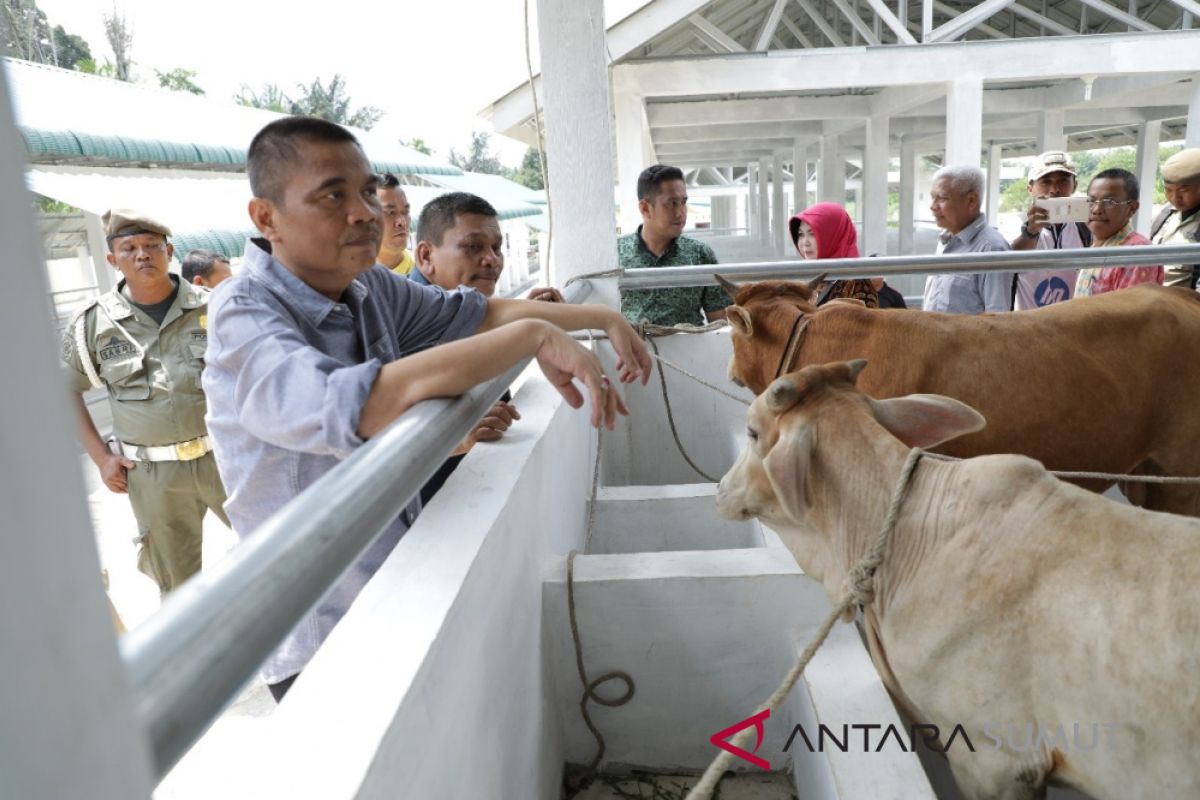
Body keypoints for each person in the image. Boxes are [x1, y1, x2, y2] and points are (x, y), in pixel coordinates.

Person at [203, 117, 652, 701]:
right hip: (319, 628)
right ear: (266, 218)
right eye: (333, 195)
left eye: (366, 191)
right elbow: (351, 406)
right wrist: (532, 337)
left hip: (392, 583)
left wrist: (603, 318)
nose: (365, 212)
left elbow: (479, 314)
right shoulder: (244, 313)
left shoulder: (368, 288)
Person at [61, 210, 229, 595]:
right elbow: (65, 390)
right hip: (153, 476)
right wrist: (102, 459)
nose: (142, 255)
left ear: (169, 251)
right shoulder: (93, 324)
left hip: (225, 458)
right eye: (129, 248)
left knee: (275, 548)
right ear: (112, 259)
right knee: (177, 585)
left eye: (152, 246)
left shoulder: (213, 307)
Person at [410, 191, 564, 502]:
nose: (492, 260)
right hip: (427, 522)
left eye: (496, 248)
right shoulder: (401, 325)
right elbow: (362, 442)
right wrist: (455, 439)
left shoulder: (468, 311)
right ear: (426, 257)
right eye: (472, 247)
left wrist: (515, 327)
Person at [618, 164, 727, 326]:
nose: (681, 213)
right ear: (645, 208)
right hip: (634, 349)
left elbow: (720, 323)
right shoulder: (617, 253)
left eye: (683, 202)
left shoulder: (700, 254)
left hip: (692, 349)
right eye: (672, 204)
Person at [922, 165, 1014, 314]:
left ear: (971, 200)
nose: (933, 206)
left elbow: (997, 318)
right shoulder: (945, 240)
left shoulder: (991, 249)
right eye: (933, 197)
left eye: (942, 198)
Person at [1008, 151, 1088, 309]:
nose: (1054, 189)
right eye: (1045, 182)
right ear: (1030, 188)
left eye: (1063, 181)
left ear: (1075, 185)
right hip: (1030, 327)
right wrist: (1031, 231)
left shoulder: (1085, 227)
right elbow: (1008, 261)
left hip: (1074, 325)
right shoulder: (1014, 224)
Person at [1075, 169, 1162, 297]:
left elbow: (1131, 313)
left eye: (1110, 202)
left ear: (1132, 208)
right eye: (1091, 201)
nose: (1096, 210)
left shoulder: (1136, 254)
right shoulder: (1097, 247)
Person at [788, 202, 877, 307]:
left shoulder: (857, 283)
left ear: (833, 236)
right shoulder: (812, 279)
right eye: (801, 234)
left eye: (812, 234)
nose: (805, 243)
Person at [1151, 148, 1200, 289]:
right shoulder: (1165, 214)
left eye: (1184, 190)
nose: (1175, 197)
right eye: (1168, 190)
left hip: (1183, 307)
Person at [376, 173, 414, 276]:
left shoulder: (424, 278)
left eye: (405, 212)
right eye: (390, 213)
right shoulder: (349, 278)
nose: (402, 222)